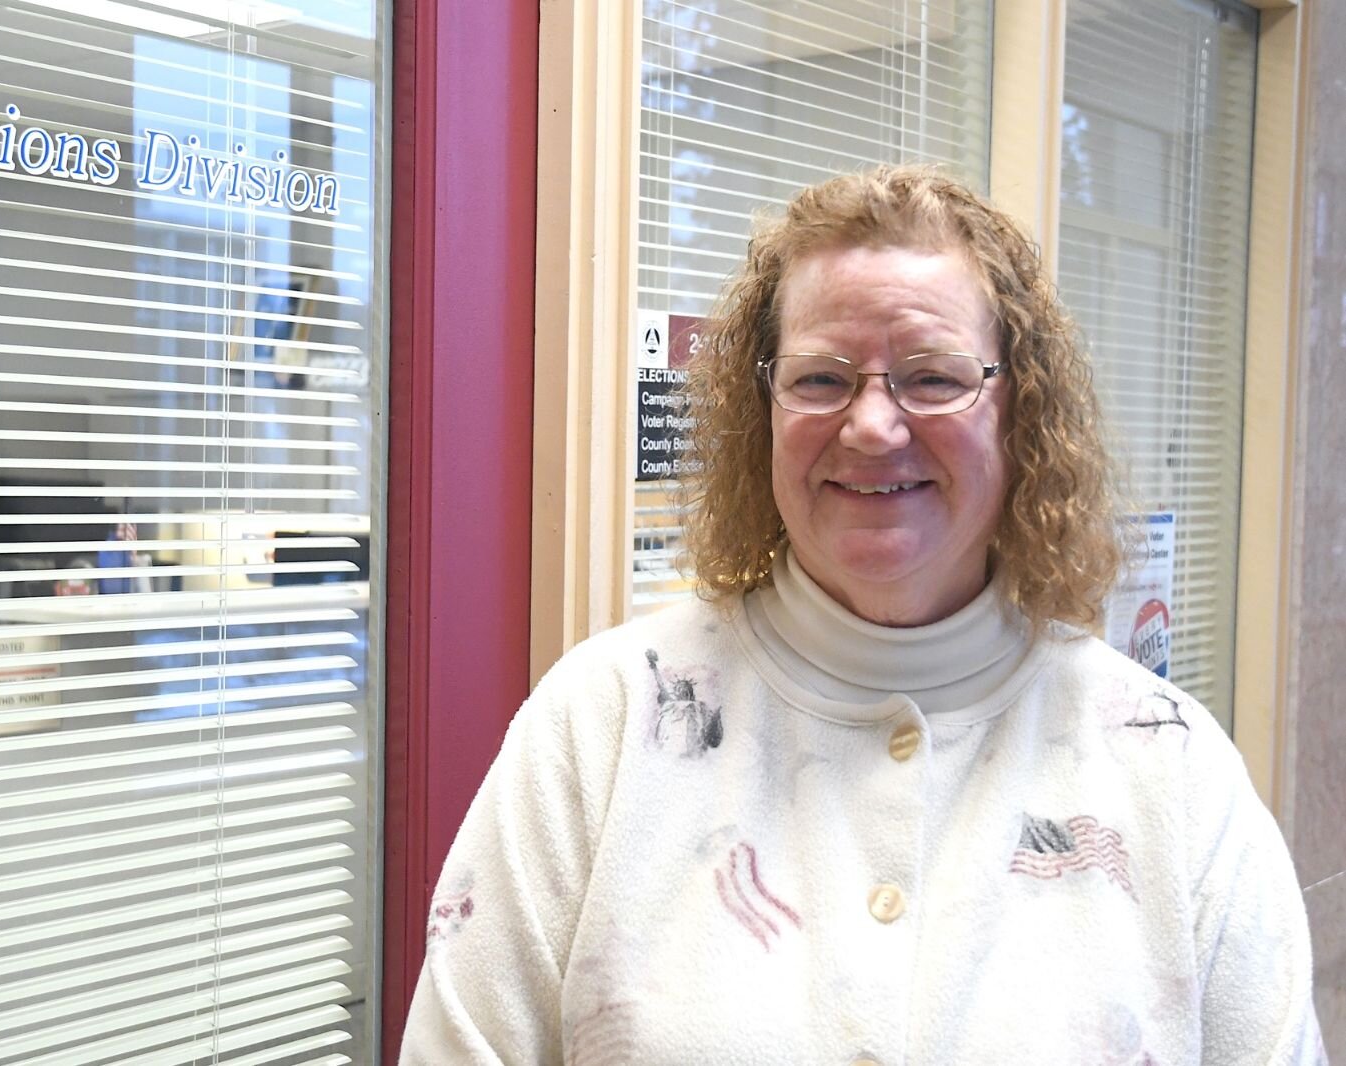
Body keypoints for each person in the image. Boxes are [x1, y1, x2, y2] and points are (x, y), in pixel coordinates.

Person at [399, 166, 1325, 1065]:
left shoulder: (1167, 768)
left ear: (1020, 414)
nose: (873, 427)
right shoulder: (601, 724)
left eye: (931, 378)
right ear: (761, 409)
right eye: (820, 380)